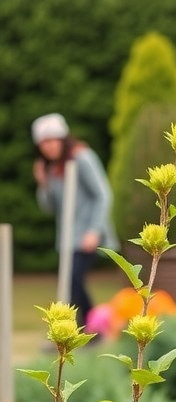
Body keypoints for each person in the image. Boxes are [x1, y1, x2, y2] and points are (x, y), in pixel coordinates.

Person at [31, 112, 118, 330]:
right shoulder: (51, 168)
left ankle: (86, 330)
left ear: (62, 139)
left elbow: (103, 194)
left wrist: (94, 229)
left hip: (88, 233)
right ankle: (86, 330)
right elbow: (49, 208)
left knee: (73, 282)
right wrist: (43, 184)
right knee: (72, 283)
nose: (48, 147)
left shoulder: (82, 157)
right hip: (68, 237)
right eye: (43, 143)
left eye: (51, 140)